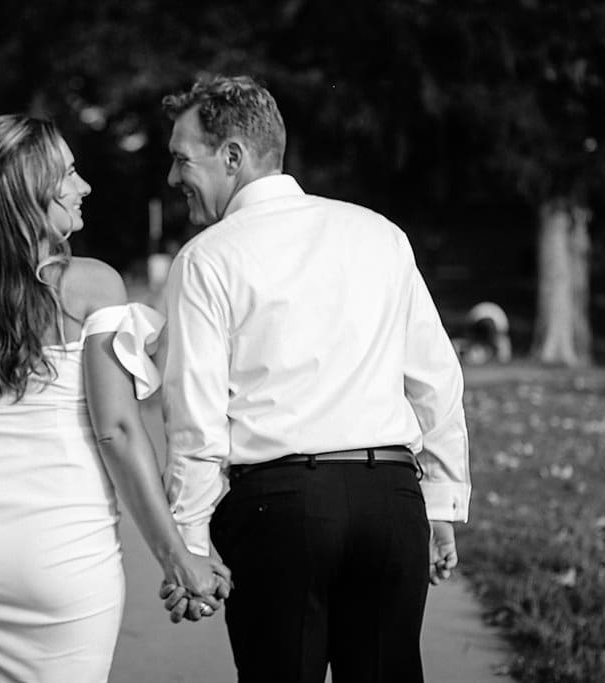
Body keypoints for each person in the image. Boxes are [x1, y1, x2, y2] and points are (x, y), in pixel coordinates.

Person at [0, 114, 229, 683]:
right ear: (31, 192)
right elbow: (116, 431)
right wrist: (177, 556)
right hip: (62, 553)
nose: (83, 185)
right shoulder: (92, 284)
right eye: (68, 173)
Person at [157, 76, 471, 683]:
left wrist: (191, 540)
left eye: (180, 159)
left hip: (280, 511)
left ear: (232, 156)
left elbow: (195, 419)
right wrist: (440, 502)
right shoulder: (379, 233)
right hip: (391, 504)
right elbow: (436, 378)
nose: (173, 179)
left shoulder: (207, 258)